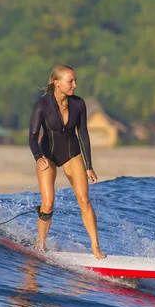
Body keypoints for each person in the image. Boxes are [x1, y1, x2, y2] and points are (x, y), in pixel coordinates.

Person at [28, 64, 106, 259]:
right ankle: (41, 244)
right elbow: (32, 136)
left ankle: (96, 247)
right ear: (57, 83)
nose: (75, 85)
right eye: (70, 81)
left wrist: (89, 166)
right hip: (47, 156)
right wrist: (38, 158)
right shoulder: (42, 105)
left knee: (84, 199)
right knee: (48, 203)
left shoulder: (78, 104)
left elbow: (84, 136)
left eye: (75, 81)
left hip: (72, 154)